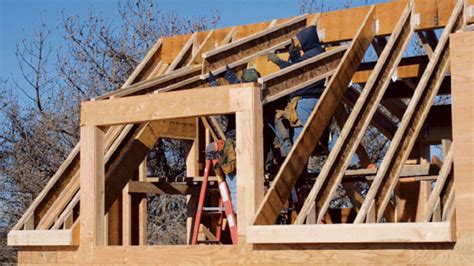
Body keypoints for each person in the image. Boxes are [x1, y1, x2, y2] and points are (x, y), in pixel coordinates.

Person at [205, 66, 261, 214]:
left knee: (235, 186)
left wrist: (212, 83)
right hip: (254, 147)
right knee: (245, 185)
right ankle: (247, 215)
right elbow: (239, 84)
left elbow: (221, 99)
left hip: (236, 147)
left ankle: (240, 217)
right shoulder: (259, 94)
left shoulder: (240, 101)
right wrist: (228, 74)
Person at [267, 25, 328, 154]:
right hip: (317, 98)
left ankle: (299, 173)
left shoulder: (310, 56)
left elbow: (293, 72)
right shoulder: (319, 53)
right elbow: (301, 68)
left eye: (301, 42)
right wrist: (294, 54)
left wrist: (278, 61)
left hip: (304, 101)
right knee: (318, 137)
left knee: (300, 139)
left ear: (307, 41)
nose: (300, 45)